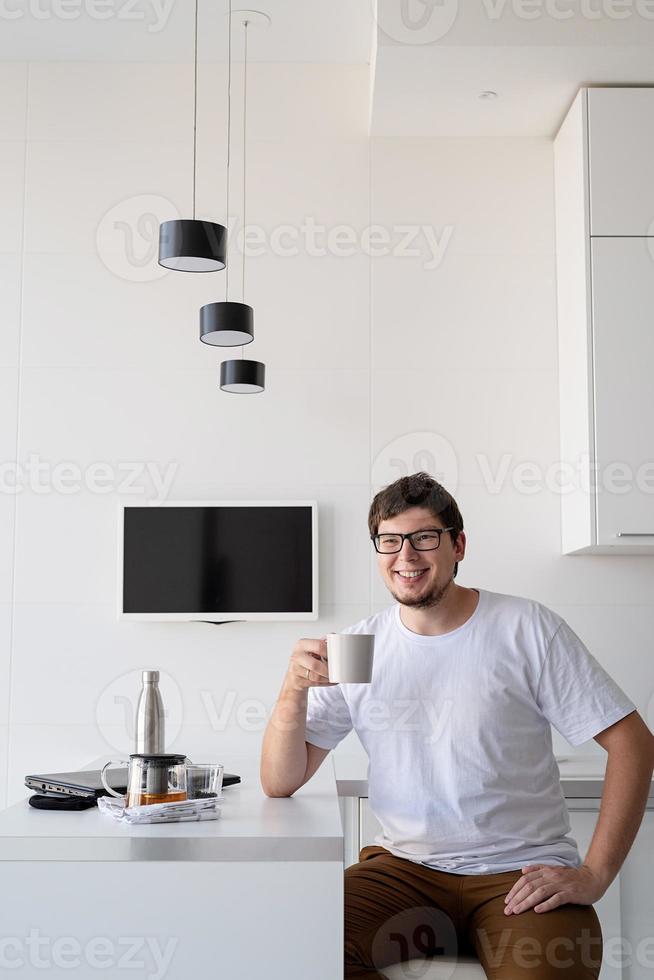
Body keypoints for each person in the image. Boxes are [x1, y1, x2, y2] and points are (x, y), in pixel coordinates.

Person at [260, 472, 654, 979]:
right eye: (390, 540)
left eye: (425, 538)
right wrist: (292, 691)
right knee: (294, 946)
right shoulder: (360, 647)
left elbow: (633, 743)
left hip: (521, 874)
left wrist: (595, 875)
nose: (406, 556)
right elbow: (279, 780)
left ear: (458, 545)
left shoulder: (526, 627)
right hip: (403, 872)